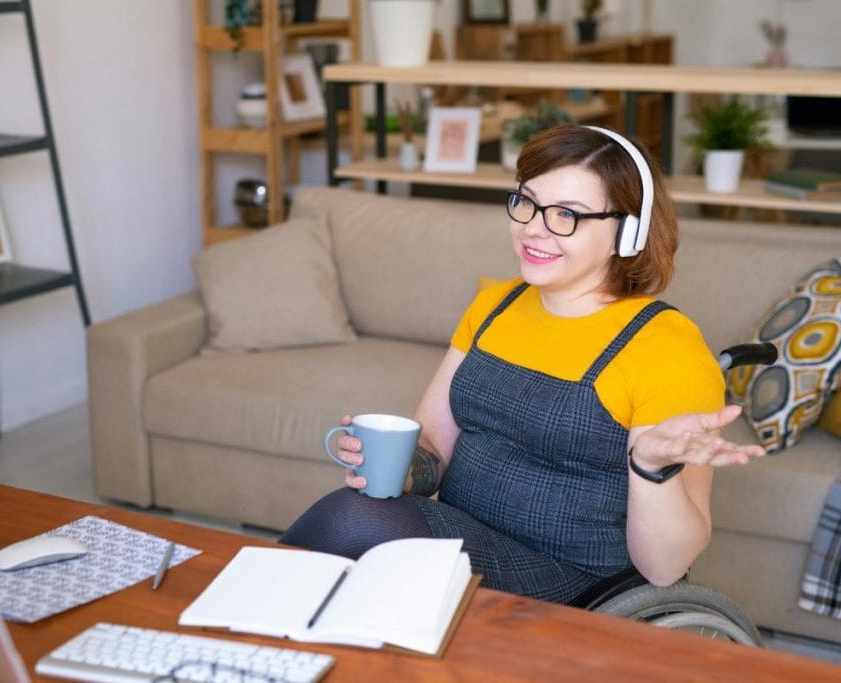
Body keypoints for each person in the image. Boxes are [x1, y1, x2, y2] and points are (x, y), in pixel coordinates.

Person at [279, 124, 767, 605]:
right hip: (468, 543)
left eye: (566, 215)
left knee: (361, 521)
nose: (533, 227)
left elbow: (664, 568)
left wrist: (651, 467)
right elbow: (433, 450)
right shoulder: (495, 306)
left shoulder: (668, 348)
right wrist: (395, 468)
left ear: (629, 230)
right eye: (527, 202)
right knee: (366, 512)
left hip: (579, 585)